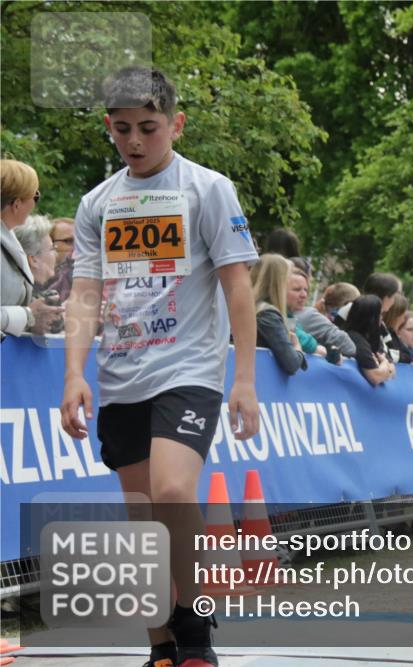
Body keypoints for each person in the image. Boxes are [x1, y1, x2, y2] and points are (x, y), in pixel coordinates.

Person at [59, 66, 260, 667]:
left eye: (148, 128)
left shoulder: (208, 188)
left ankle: (195, 629)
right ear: (109, 129)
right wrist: (74, 372)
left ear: (176, 123)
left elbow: (238, 286)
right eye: (122, 130)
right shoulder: (98, 203)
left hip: (189, 368)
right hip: (122, 374)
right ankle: (160, 645)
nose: (135, 141)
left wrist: (244, 377)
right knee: (142, 515)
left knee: (173, 490)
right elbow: (85, 293)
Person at [1, 160, 64, 337]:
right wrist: (28, 315)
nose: (36, 204)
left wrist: (33, 322)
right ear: (17, 204)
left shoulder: (8, 236)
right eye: (35, 196)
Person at [252, 255, 308, 374]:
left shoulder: (247, 305)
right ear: (279, 281)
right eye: (288, 277)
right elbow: (291, 363)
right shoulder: (268, 314)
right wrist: (298, 348)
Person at [13, 216, 62, 331]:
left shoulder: (31, 292)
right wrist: (28, 318)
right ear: (33, 260)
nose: (56, 255)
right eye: (52, 249)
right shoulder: (11, 294)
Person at [344, 294, 396, 386]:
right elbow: (375, 377)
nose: (382, 319)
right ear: (372, 318)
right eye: (380, 314)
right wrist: (384, 363)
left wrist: (385, 368)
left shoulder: (374, 339)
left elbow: (393, 371)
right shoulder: (355, 339)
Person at [44, 217, 76, 304]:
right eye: (69, 241)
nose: (77, 247)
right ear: (49, 243)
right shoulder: (34, 281)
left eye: (80, 241)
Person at [383, 292, 413, 364]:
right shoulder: (382, 333)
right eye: (403, 315)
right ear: (395, 315)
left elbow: (408, 356)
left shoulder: (391, 333)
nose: (403, 320)